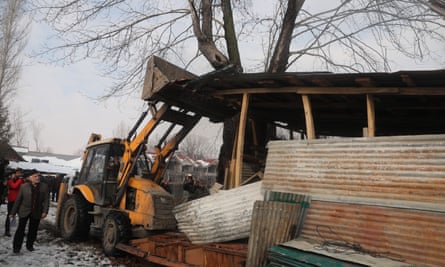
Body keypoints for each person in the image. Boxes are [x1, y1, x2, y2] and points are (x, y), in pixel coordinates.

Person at [10, 169, 49, 253]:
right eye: (35, 176)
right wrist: (12, 213)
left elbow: (46, 200)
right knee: (20, 229)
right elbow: (18, 200)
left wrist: (45, 211)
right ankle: (16, 247)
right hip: (24, 210)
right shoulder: (24, 186)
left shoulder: (44, 187)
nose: (37, 178)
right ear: (30, 178)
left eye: (38, 176)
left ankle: (29, 245)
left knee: (33, 230)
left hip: (37, 211)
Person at [4, 168, 24, 236]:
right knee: (10, 215)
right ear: (14, 174)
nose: (19, 174)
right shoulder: (10, 180)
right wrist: (20, 180)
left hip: (19, 200)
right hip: (12, 200)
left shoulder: (21, 180)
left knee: (22, 216)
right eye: (18, 173)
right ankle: (7, 231)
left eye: (20, 173)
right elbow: (14, 186)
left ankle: (21, 231)